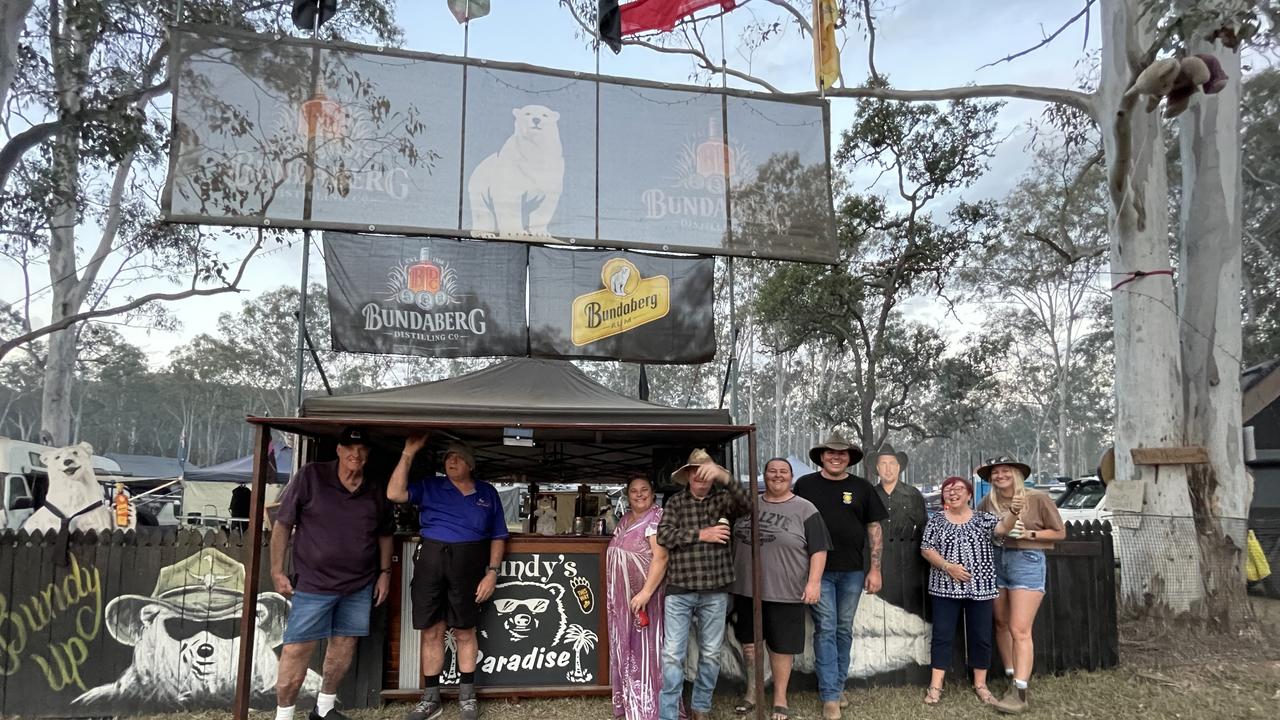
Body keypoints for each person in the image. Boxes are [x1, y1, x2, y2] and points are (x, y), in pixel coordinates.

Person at [271, 427, 394, 720]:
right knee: (297, 649)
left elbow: (385, 534)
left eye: (362, 449)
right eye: (349, 448)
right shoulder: (311, 476)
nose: (356, 454)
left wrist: (385, 572)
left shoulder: (375, 488)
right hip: (314, 583)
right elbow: (282, 525)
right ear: (338, 450)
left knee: (344, 644)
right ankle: (283, 715)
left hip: (359, 584)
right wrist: (276, 570)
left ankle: (324, 708)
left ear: (368, 454)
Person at [389, 435, 507, 720]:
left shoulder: (487, 492)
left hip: (469, 566)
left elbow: (499, 535)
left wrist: (492, 573)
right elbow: (394, 494)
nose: (451, 461)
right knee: (432, 631)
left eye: (457, 456)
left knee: (465, 631)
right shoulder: (431, 485)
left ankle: (467, 697)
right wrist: (408, 452)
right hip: (431, 561)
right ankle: (431, 698)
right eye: (448, 457)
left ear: (471, 463)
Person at [793, 432, 888, 720]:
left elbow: (874, 528)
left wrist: (875, 568)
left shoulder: (862, 488)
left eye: (842, 453)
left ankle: (837, 685)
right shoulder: (805, 485)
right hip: (816, 572)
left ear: (850, 458)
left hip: (852, 572)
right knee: (827, 629)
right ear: (821, 456)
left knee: (843, 630)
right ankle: (830, 697)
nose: (836, 457)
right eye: (830, 453)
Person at [730, 458, 829, 720]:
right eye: (772, 471)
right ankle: (752, 693)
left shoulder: (805, 509)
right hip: (746, 589)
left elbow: (818, 549)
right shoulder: (747, 506)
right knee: (750, 644)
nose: (777, 475)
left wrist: (814, 582)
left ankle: (780, 698)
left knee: (781, 647)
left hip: (786, 589)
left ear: (791, 476)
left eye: (783, 472)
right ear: (764, 475)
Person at [656, 448, 751, 720]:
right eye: (695, 473)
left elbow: (748, 505)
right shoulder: (675, 502)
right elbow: (664, 536)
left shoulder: (723, 500)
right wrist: (703, 534)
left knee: (710, 654)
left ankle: (701, 707)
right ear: (687, 476)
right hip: (680, 589)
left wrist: (725, 477)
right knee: (673, 655)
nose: (701, 478)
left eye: (706, 474)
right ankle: (669, 713)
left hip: (716, 590)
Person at [976, 455, 1066, 715]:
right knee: (1001, 623)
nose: (999, 476)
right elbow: (982, 530)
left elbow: (1059, 532)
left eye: (1005, 471)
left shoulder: (1037, 498)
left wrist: (1030, 534)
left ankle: (1020, 692)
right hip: (996, 560)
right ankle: (1012, 674)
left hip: (1027, 560)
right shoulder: (987, 502)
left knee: (1020, 628)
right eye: (995, 473)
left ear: (1016, 474)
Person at [918, 476, 1002, 706]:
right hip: (944, 588)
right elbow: (926, 549)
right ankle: (936, 686)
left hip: (981, 588)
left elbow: (1002, 532)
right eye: (947, 490)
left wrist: (1014, 513)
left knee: (981, 636)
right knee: (942, 636)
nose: (952, 493)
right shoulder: (936, 521)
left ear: (969, 494)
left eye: (958, 489)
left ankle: (981, 684)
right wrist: (948, 567)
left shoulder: (984, 519)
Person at [606, 474, 672, 720]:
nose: (639, 494)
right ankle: (628, 701)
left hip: (646, 597)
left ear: (653, 493)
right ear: (627, 495)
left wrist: (645, 592)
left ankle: (648, 706)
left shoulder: (657, 517)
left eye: (644, 490)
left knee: (646, 649)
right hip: (623, 600)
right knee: (625, 645)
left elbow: (661, 557)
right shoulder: (625, 518)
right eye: (634, 491)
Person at [871, 444, 926, 535]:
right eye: (883, 463)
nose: (888, 469)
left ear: (898, 467)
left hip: (907, 548)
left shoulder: (913, 495)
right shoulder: (869, 495)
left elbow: (923, 529)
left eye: (892, 463)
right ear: (878, 468)